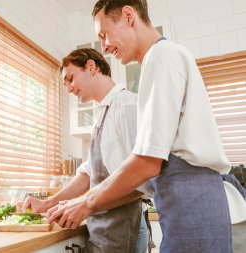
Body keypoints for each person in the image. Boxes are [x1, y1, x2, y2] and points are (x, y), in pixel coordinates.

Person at [48, 1, 246, 253]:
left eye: (104, 34)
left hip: (193, 202)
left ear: (128, 16)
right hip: (184, 202)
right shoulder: (161, 58)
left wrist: (86, 203)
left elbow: (147, 161)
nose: (105, 46)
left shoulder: (160, 57)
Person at [22, 48, 149, 253]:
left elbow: (143, 181)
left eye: (71, 79)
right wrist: (47, 204)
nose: (69, 89)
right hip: (101, 230)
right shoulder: (100, 116)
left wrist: (85, 204)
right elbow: (88, 173)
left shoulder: (127, 106)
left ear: (91, 67)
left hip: (126, 229)